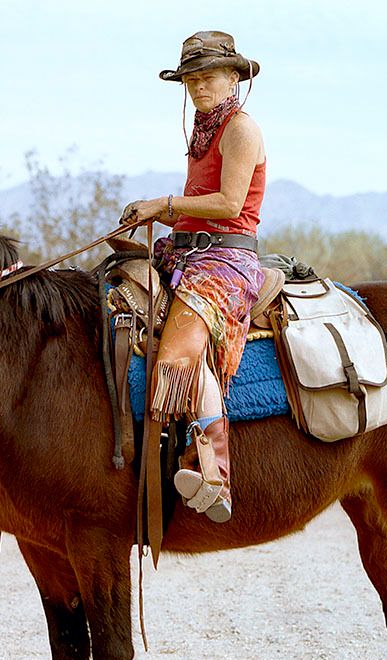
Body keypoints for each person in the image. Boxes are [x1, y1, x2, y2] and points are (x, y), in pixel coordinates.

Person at [120, 31, 267, 523]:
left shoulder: (240, 129)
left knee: (181, 346)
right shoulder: (204, 132)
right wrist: (155, 214)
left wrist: (163, 203)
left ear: (233, 78)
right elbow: (196, 207)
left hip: (225, 261)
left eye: (209, 76)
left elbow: (228, 204)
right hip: (186, 252)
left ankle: (213, 472)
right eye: (191, 79)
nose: (199, 86)